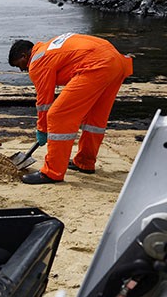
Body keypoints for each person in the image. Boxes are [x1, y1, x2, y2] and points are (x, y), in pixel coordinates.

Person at [8, 33, 133, 184]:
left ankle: (52, 173)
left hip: (97, 64)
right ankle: (85, 162)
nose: (22, 70)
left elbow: (44, 102)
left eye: (18, 65)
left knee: (57, 115)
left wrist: (42, 129)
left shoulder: (36, 61)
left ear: (24, 56)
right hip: (116, 62)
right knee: (94, 118)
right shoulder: (49, 48)